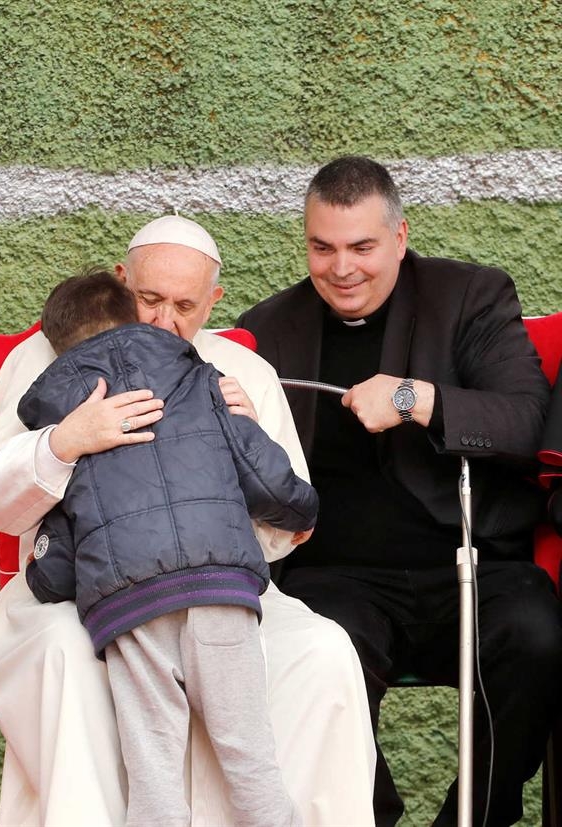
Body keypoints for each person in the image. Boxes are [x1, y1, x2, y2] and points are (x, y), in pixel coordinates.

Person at [0, 214, 377, 826]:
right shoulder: (48, 359)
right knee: (65, 656)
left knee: (323, 649)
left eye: (186, 305)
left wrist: (244, 435)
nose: (164, 320)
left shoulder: (240, 374)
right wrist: (63, 443)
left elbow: (285, 529)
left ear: (215, 301)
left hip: (217, 581)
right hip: (78, 589)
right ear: (122, 279)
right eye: (149, 298)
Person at [238, 155, 562, 827]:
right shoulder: (268, 328)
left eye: (362, 246)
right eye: (322, 247)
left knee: (536, 634)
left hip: (468, 565)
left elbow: (525, 422)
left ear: (400, 237)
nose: (342, 267)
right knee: (305, 650)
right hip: (336, 577)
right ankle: (371, 814)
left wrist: (416, 398)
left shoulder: (471, 297)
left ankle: (475, 816)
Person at [21, 269, 316, 825]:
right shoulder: (201, 380)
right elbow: (259, 468)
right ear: (135, 313)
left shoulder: (69, 422)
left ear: (55, 345)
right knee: (247, 754)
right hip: (218, 586)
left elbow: (63, 537)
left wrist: (46, 579)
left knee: (152, 767)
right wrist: (300, 509)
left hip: (131, 608)